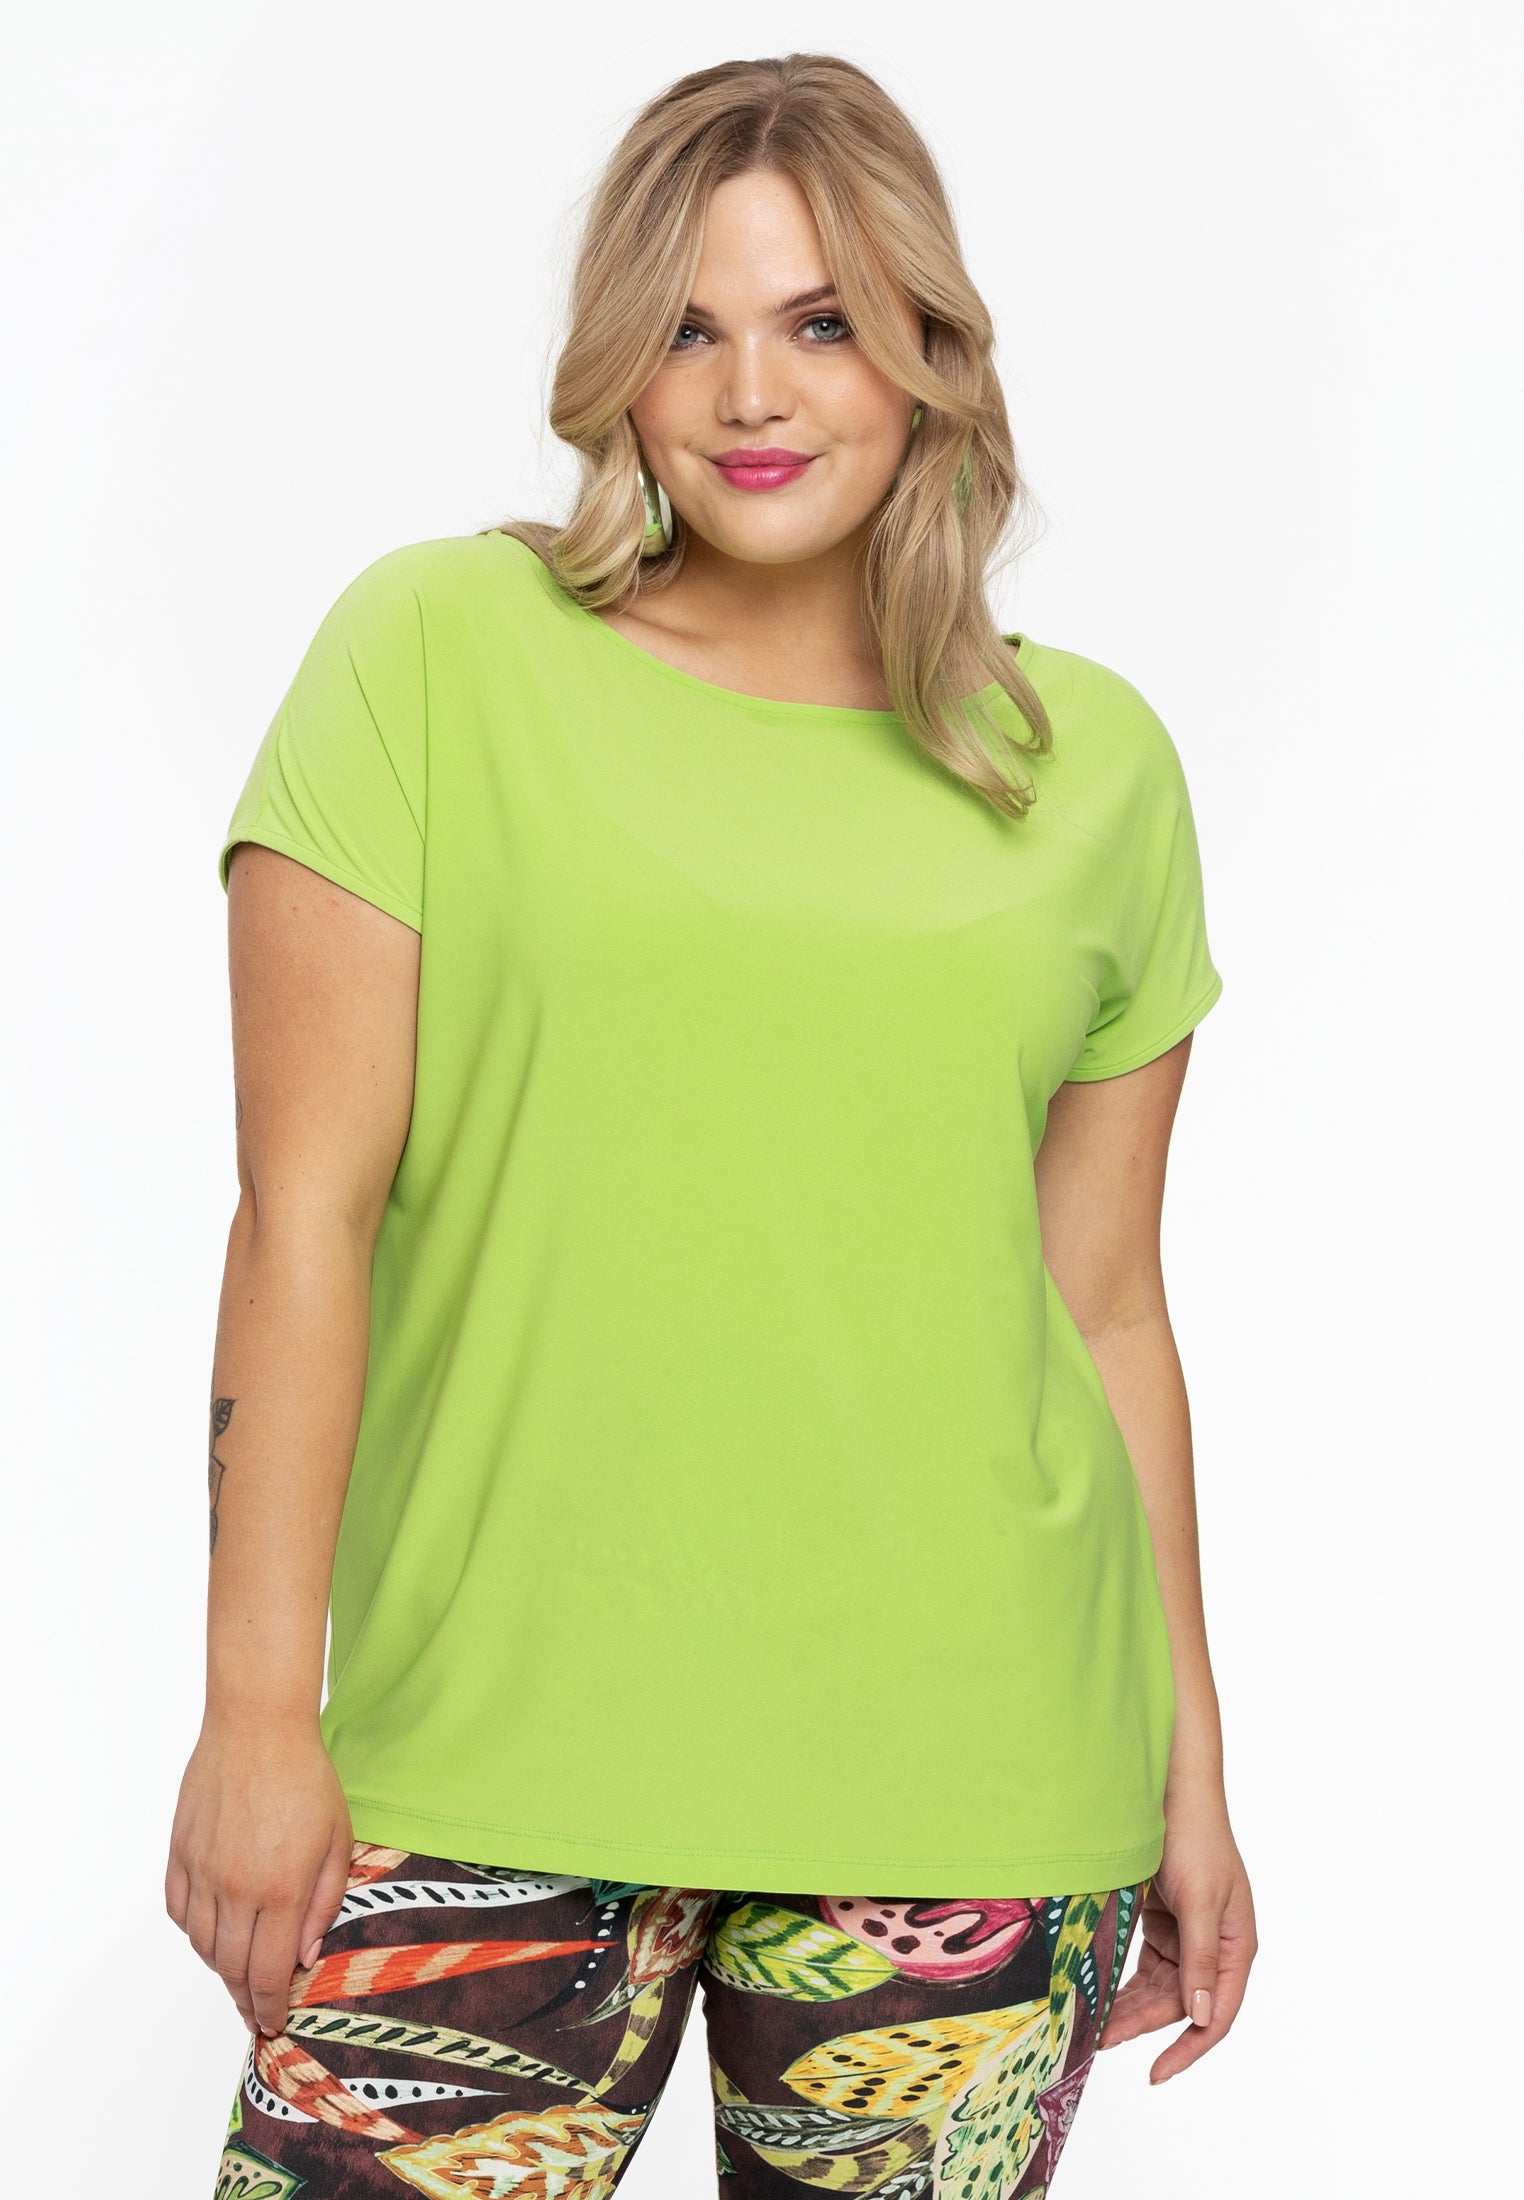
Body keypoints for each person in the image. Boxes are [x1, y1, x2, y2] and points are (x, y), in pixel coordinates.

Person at [168, 51, 1256, 2198]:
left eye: (824, 321)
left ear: (929, 351)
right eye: (689, 326)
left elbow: (1108, 1308)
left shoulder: (1092, 767)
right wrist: (255, 1712)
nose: (755, 391)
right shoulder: (437, 655)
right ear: (619, 369)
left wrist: (1190, 1773)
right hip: (488, 1754)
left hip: (971, 1784)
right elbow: (302, 1214)